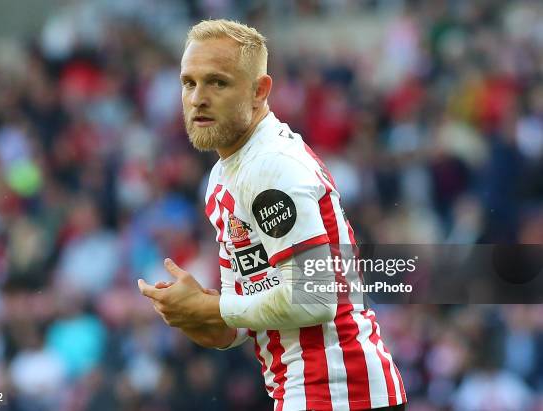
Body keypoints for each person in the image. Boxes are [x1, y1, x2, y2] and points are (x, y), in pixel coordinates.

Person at [138, 19, 407, 411]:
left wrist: (213, 308)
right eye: (189, 82)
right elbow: (246, 314)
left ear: (259, 91)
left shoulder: (271, 167)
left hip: (339, 394)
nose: (198, 98)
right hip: (307, 392)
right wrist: (191, 314)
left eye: (218, 82)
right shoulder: (224, 175)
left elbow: (314, 297)